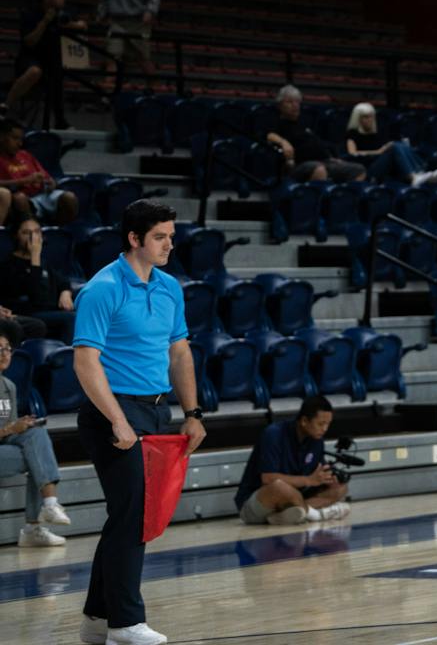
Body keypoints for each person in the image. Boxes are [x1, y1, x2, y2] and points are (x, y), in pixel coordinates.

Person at [72, 199, 206, 645]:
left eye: (171, 235)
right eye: (160, 237)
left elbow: (180, 352)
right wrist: (117, 421)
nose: (170, 243)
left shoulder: (170, 287)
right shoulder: (102, 288)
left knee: (127, 516)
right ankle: (125, 624)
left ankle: (97, 616)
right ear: (134, 239)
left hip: (156, 410)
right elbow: (86, 362)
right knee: (133, 516)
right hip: (112, 411)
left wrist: (192, 413)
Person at [0, 322, 73, 547]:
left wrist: (20, 426)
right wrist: (10, 429)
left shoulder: (8, 385)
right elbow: (7, 430)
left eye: (7, 348)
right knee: (36, 456)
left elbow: (8, 431)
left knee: (36, 436)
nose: (4, 354)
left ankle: (48, 508)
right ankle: (35, 524)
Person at [233, 395, 351, 526]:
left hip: (294, 499)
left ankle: (287, 515)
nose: (325, 429)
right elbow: (268, 479)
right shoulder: (273, 434)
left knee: (341, 489)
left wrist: (327, 479)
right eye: (321, 424)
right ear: (304, 421)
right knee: (280, 487)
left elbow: (316, 475)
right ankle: (316, 515)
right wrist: (309, 480)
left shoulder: (317, 440)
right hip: (258, 502)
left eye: (328, 424)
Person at [8, 0, 87, 123]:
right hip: (28, 60)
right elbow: (29, 42)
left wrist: (74, 25)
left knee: (57, 74)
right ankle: (5, 107)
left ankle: (60, 120)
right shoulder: (30, 14)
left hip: (50, 64)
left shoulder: (61, 14)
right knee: (35, 71)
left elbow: (81, 25)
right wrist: (44, 22)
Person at [265, 85, 366, 184]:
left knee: (358, 170)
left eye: (297, 102)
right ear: (280, 105)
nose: (295, 105)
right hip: (299, 166)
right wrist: (284, 142)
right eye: (289, 102)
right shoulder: (277, 122)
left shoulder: (304, 124)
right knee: (319, 169)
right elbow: (269, 135)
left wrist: (331, 158)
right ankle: (319, 198)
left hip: (324, 161)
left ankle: (346, 197)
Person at [0, 217, 77, 341]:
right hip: (30, 313)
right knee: (72, 318)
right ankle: (69, 356)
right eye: (26, 233)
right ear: (16, 236)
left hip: (51, 310)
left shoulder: (44, 262)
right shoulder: (9, 265)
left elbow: (62, 281)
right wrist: (35, 257)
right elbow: (34, 295)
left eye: (37, 232)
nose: (33, 237)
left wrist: (65, 293)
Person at [0, 118, 79, 225]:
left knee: (69, 198)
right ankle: (33, 233)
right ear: (2, 137)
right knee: (20, 199)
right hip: (21, 198)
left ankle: (59, 234)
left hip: (42, 194)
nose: (19, 143)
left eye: (21, 139)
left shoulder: (25, 154)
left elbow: (46, 177)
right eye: (15, 138)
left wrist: (51, 183)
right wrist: (24, 181)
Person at [344, 103, 437, 187]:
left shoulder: (377, 133)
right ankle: (414, 176)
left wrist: (386, 149)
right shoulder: (353, 133)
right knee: (395, 146)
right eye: (365, 117)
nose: (369, 120)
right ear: (358, 119)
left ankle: (421, 173)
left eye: (371, 116)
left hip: (383, 164)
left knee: (398, 144)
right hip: (368, 168)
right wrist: (377, 152)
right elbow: (353, 153)